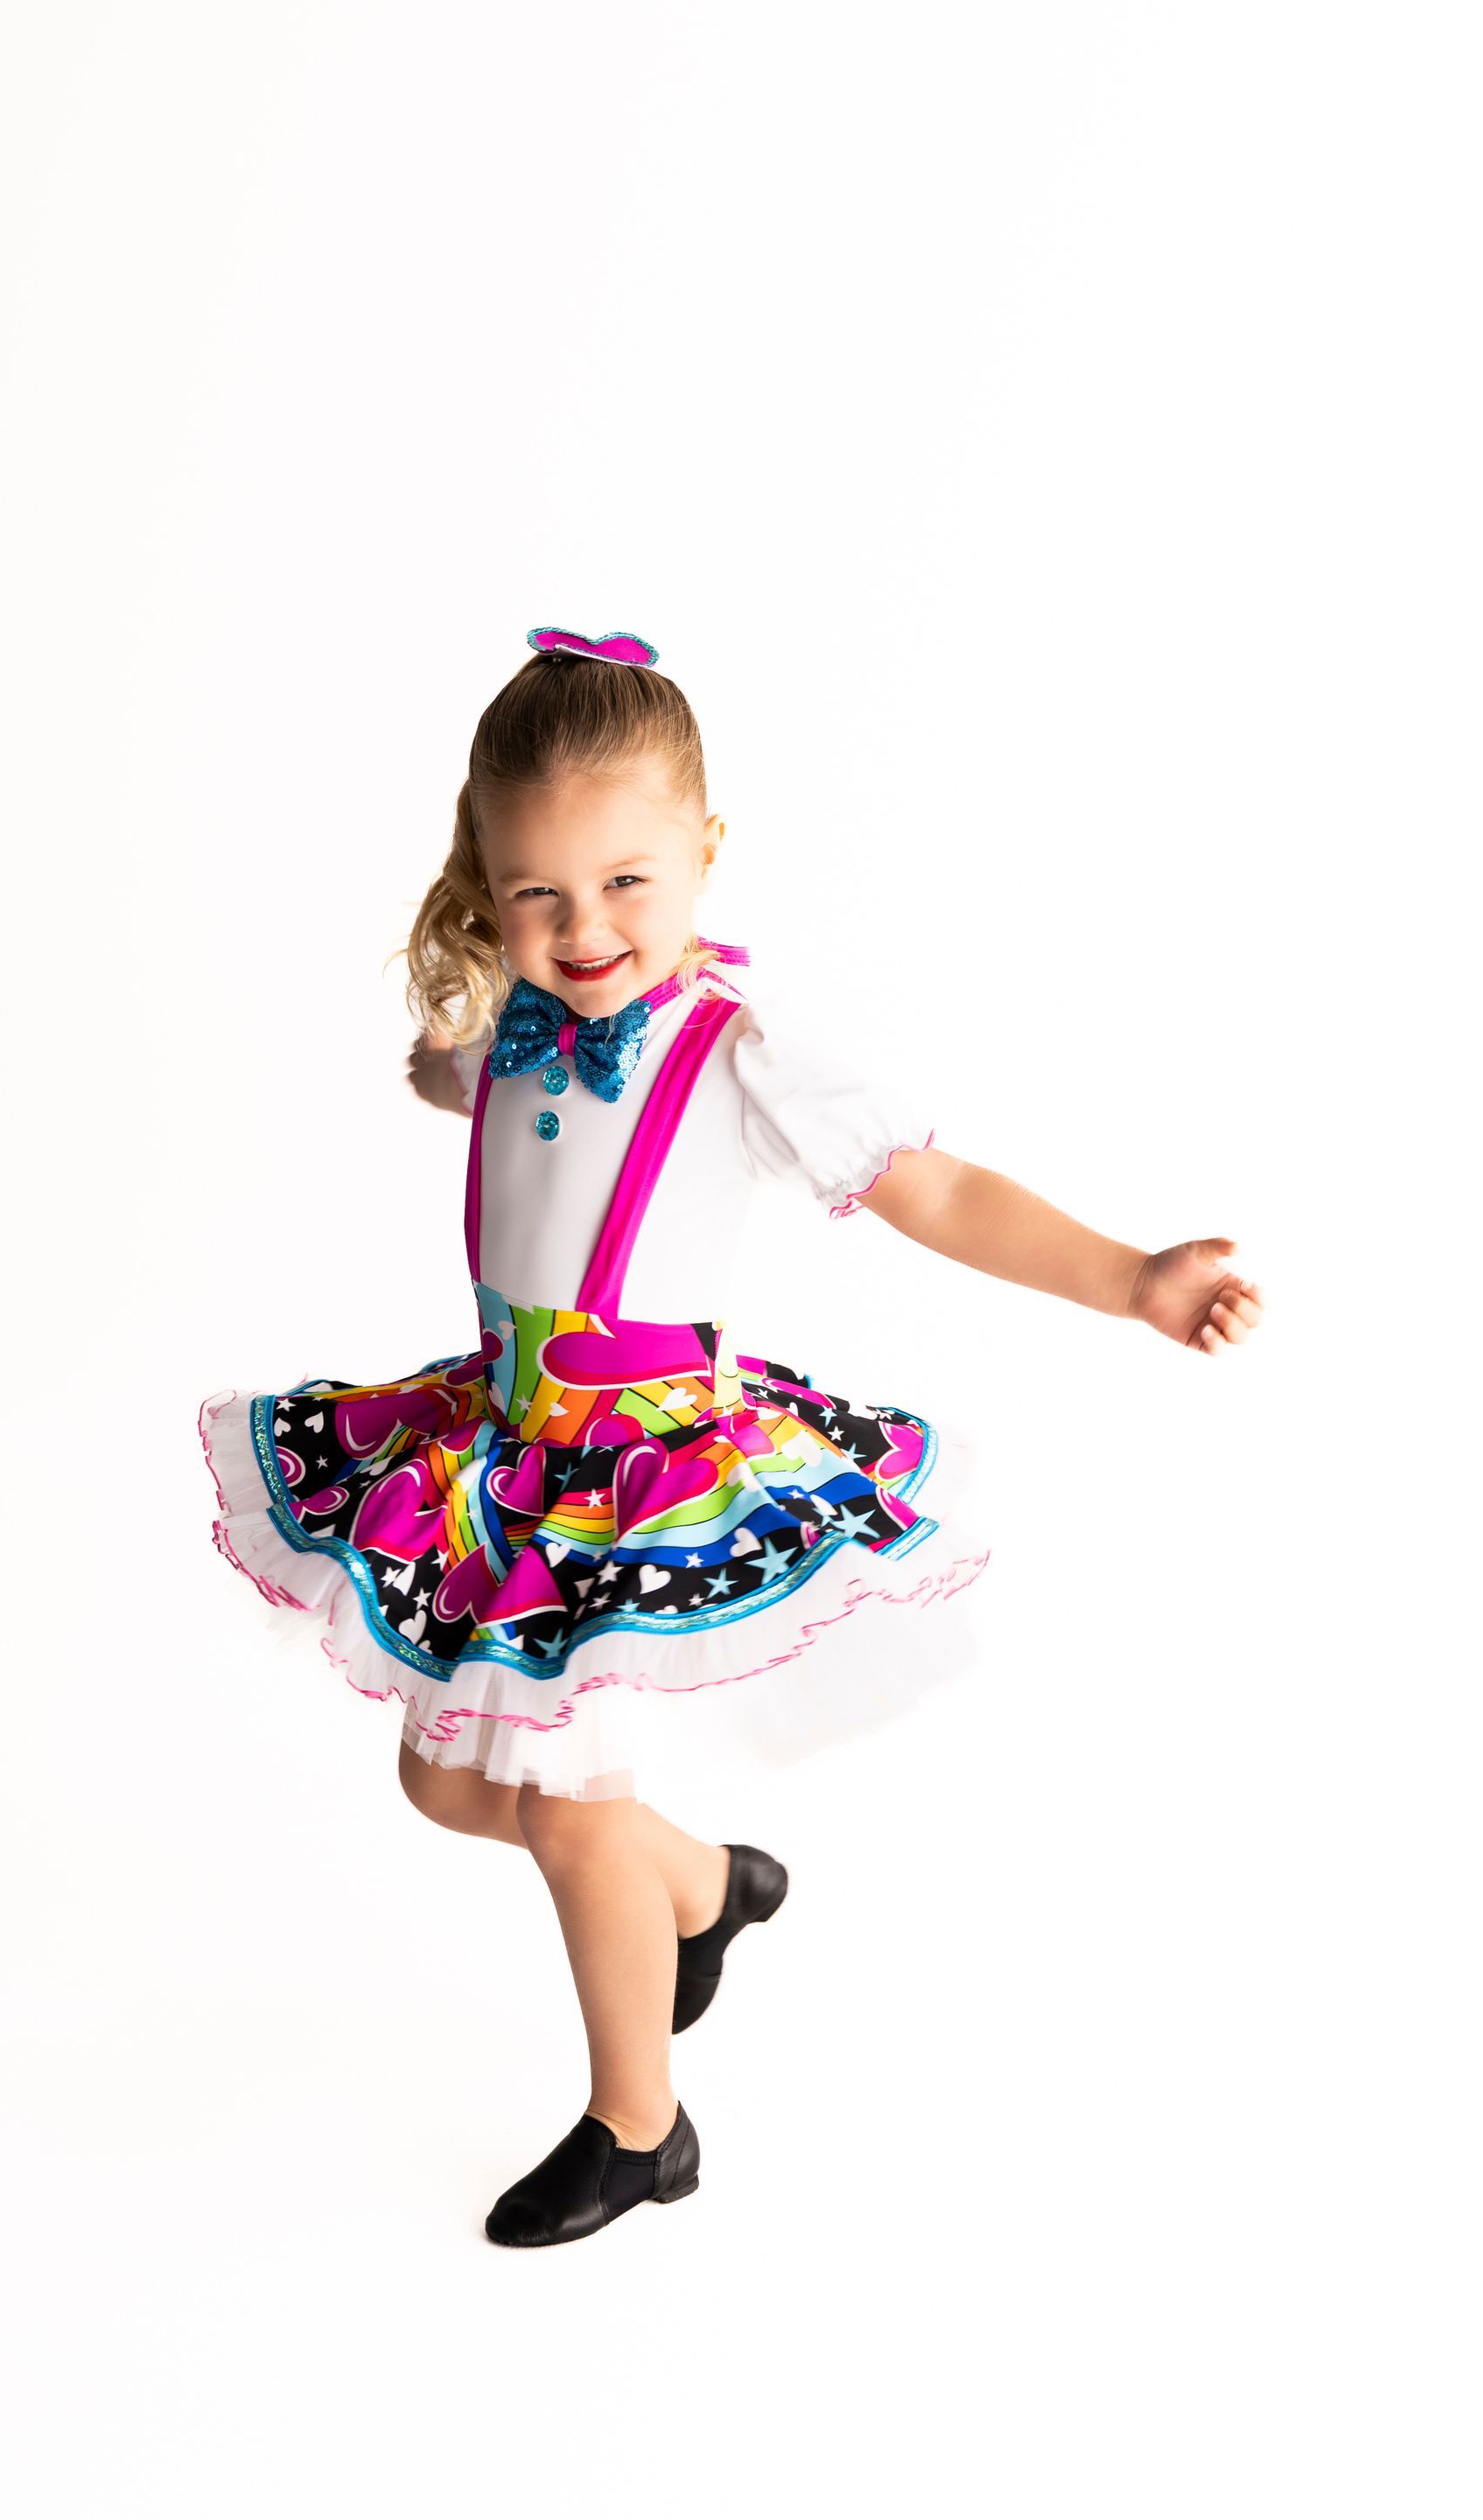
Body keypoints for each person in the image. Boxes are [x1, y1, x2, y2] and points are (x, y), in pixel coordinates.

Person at [199, 623, 1265, 2249]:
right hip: (492, 1445)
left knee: (564, 1810)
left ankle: (641, 2125)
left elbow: (942, 1189)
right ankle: (702, 1890)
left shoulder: (741, 1052)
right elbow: (473, 1086)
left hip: (642, 1465)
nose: (587, 930)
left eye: (629, 883)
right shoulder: (521, 1023)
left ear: (705, 852)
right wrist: (450, 1063)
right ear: (488, 882)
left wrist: (1132, 1278)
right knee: (446, 1788)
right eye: (540, 894)